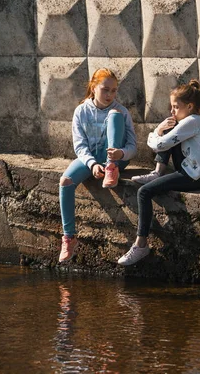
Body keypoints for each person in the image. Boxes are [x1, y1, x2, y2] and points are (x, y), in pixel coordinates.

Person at [118, 79, 200, 266]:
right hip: (193, 168)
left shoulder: (191, 122)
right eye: (171, 106)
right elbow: (165, 143)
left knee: (144, 192)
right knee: (170, 129)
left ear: (189, 106)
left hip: (195, 176)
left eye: (175, 107)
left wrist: (157, 130)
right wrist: (164, 131)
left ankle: (141, 245)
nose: (172, 111)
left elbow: (159, 145)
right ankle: (158, 172)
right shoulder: (192, 120)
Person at [58, 68, 137, 262]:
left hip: (116, 158)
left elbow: (133, 147)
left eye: (114, 90)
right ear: (93, 88)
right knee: (65, 181)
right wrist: (92, 164)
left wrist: (121, 154)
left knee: (115, 115)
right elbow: (80, 146)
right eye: (105, 89)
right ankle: (69, 237)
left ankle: (111, 168)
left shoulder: (121, 111)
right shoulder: (81, 111)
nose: (110, 95)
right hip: (90, 158)